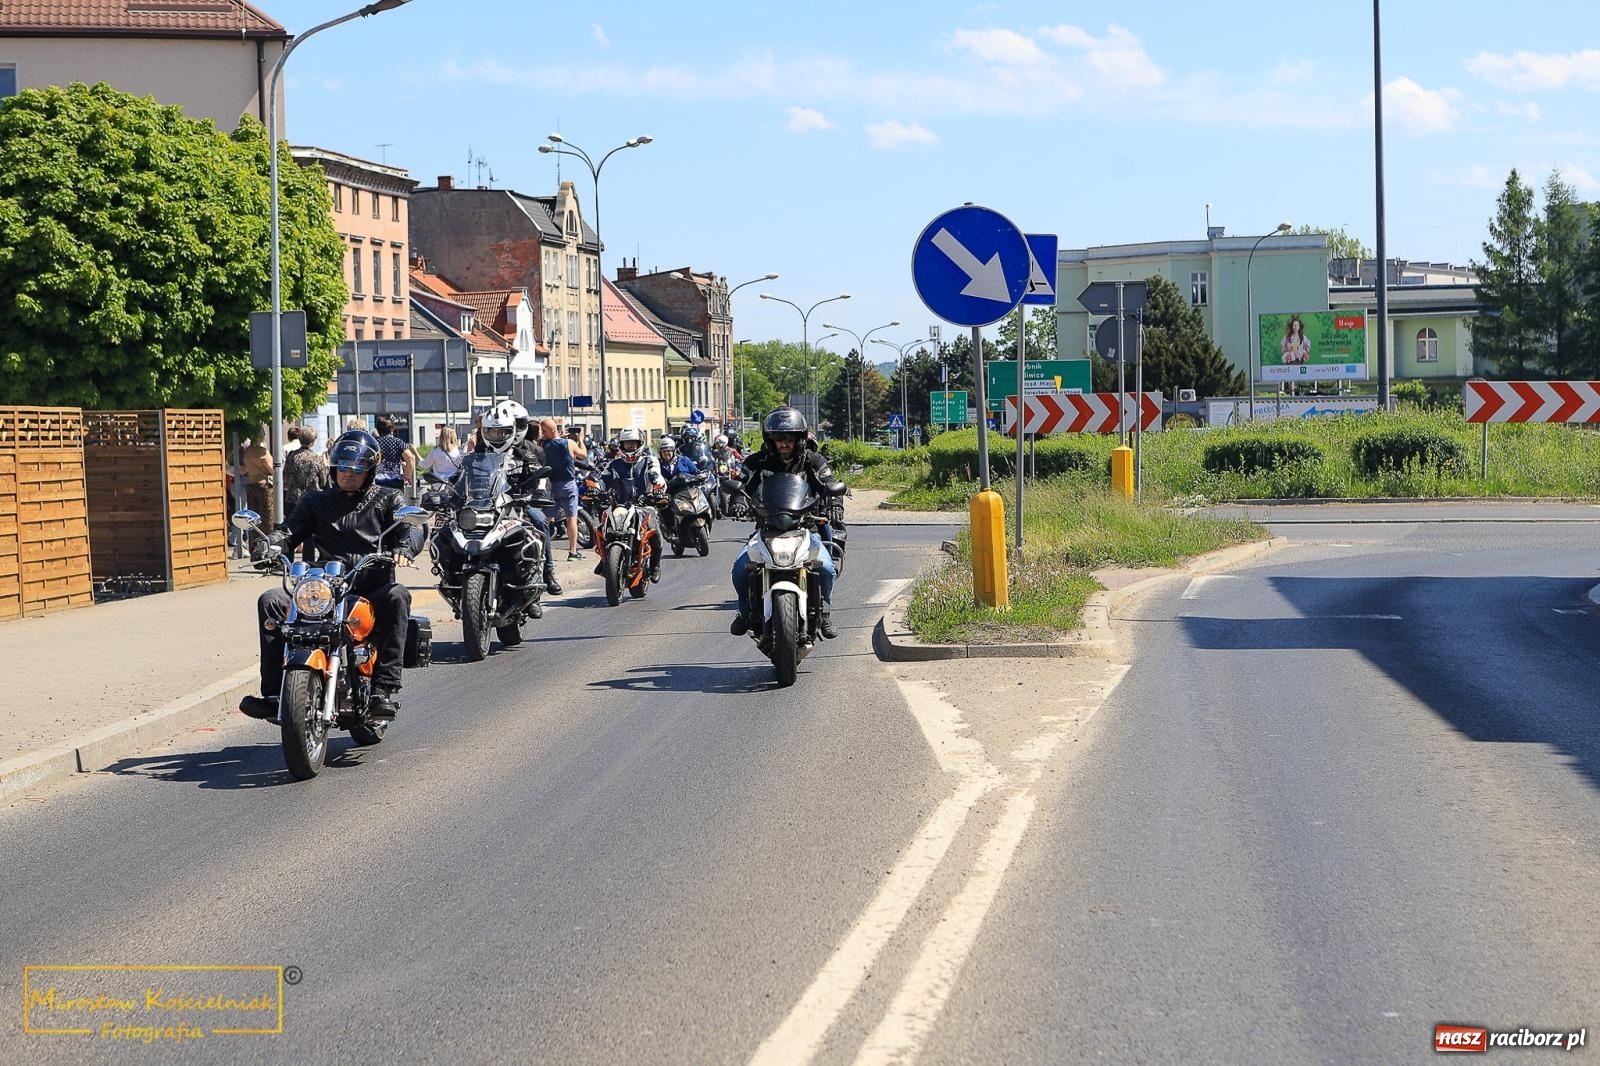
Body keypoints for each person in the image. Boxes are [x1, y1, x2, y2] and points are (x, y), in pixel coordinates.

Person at [239, 430, 423, 722]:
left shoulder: (389, 499)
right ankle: (274, 694)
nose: (349, 474)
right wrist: (270, 544)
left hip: (370, 584)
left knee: (398, 596)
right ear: (334, 469)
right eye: (344, 468)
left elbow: (412, 527)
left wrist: (404, 546)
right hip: (324, 586)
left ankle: (383, 689)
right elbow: (289, 531)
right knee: (271, 600)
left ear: (370, 470)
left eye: (357, 469)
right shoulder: (316, 502)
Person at [728, 407, 842, 639]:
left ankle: (826, 612)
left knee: (828, 569)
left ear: (800, 439)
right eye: (778, 438)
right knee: (740, 570)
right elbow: (740, 482)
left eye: (789, 438)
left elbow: (830, 481)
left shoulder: (813, 461)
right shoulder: (756, 461)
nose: (783, 444)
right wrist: (738, 499)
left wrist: (835, 504)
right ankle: (744, 612)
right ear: (769, 440)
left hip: (804, 528)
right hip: (766, 529)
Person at [465, 400, 558, 602]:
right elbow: (464, 476)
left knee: (539, 521)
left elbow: (542, 478)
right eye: (493, 432)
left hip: (519, 503)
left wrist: (538, 494)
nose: (498, 436)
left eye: (503, 431)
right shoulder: (480, 452)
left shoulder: (530, 451)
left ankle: (546, 572)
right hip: (486, 505)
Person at [593, 427, 664, 580]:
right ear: (622, 445)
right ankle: (606, 560)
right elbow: (603, 479)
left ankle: (655, 565)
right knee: (603, 528)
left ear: (640, 443)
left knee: (655, 533)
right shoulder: (614, 464)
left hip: (644, 505)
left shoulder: (649, 461)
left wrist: (658, 486)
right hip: (619, 505)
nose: (630, 447)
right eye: (627, 444)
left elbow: (656, 475)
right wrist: (596, 488)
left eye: (633, 443)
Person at [538, 417, 588, 561]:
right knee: (571, 518)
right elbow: (583, 455)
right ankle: (572, 552)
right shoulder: (570, 443)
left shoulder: (542, 444)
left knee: (546, 520)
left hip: (551, 485)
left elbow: (549, 440)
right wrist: (581, 440)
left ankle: (542, 551)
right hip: (568, 485)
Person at [281, 425, 329, 562]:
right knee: (309, 536)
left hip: (292, 499)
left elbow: (286, 477)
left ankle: (288, 563)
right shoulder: (317, 458)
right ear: (313, 441)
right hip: (312, 500)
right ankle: (308, 562)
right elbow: (324, 480)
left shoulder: (291, 456)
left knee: (291, 532)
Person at [373, 415, 418, 493]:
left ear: (378, 429)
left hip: (377, 481)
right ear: (392, 428)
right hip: (395, 481)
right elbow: (411, 458)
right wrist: (407, 477)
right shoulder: (398, 442)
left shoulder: (374, 443)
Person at [242, 433, 276, 525]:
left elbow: (243, 470)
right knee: (267, 515)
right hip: (264, 484)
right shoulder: (262, 451)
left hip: (250, 483)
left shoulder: (247, 451)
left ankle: (255, 536)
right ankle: (267, 537)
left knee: (253, 515)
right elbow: (273, 470)